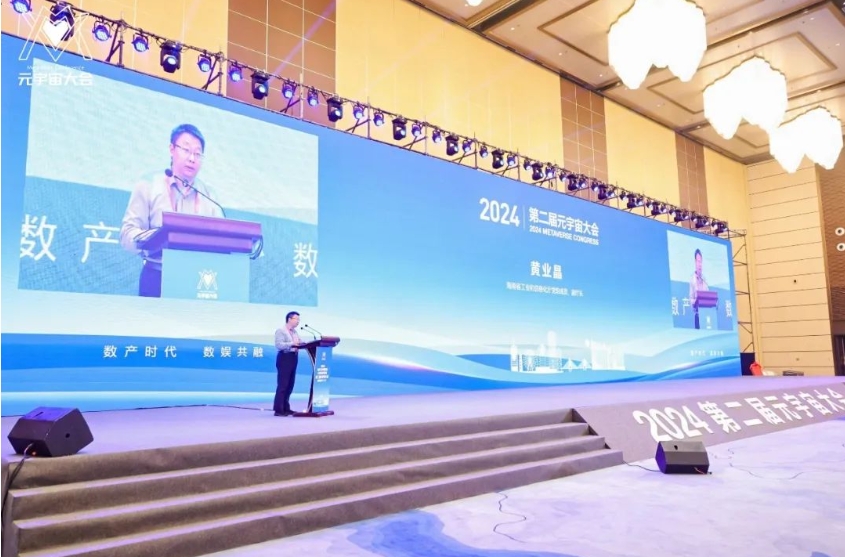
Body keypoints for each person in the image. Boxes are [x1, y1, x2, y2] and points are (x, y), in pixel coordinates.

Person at [119, 124, 223, 297]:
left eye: (198, 154)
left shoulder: (209, 195)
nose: (192, 158)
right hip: (157, 276)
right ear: (172, 149)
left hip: (198, 281)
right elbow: (126, 234)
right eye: (186, 150)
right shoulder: (148, 185)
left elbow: (222, 239)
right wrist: (157, 238)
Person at [273, 311, 302, 416]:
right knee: (283, 384)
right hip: (285, 358)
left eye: (299, 319)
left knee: (290, 384)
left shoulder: (294, 332)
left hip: (293, 357)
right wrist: (292, 343)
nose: (298, 321)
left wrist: (301, 343)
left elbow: (298, 342)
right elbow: (279, 345)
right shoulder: (281, 331)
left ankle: (286, 407)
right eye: (296, 319)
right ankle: (278, 410)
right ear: (289, 319)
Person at [689, 249, 709, 330]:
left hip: (707, 314)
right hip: (697, 315)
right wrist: (696, 301)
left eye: (701, 261)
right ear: (695, 262)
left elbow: (709, 296)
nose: (699, 264)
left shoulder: (704, 279)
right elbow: (691, 299)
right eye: (698, 261)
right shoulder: (692, 279)